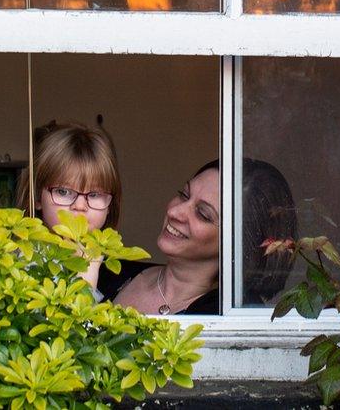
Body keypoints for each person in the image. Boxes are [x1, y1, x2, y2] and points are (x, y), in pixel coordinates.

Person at [98, 158, 296, 314]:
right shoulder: (107, 272)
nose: (175, 212)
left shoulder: (230, 317)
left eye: (203, 214)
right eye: (184, 195)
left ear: (237, 244)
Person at [16, 120, 123, 291]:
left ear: (110, 204)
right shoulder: (26, 260)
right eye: (63, 192)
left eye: (94, 194)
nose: (80, 206)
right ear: (36, 196)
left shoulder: (114, 268)